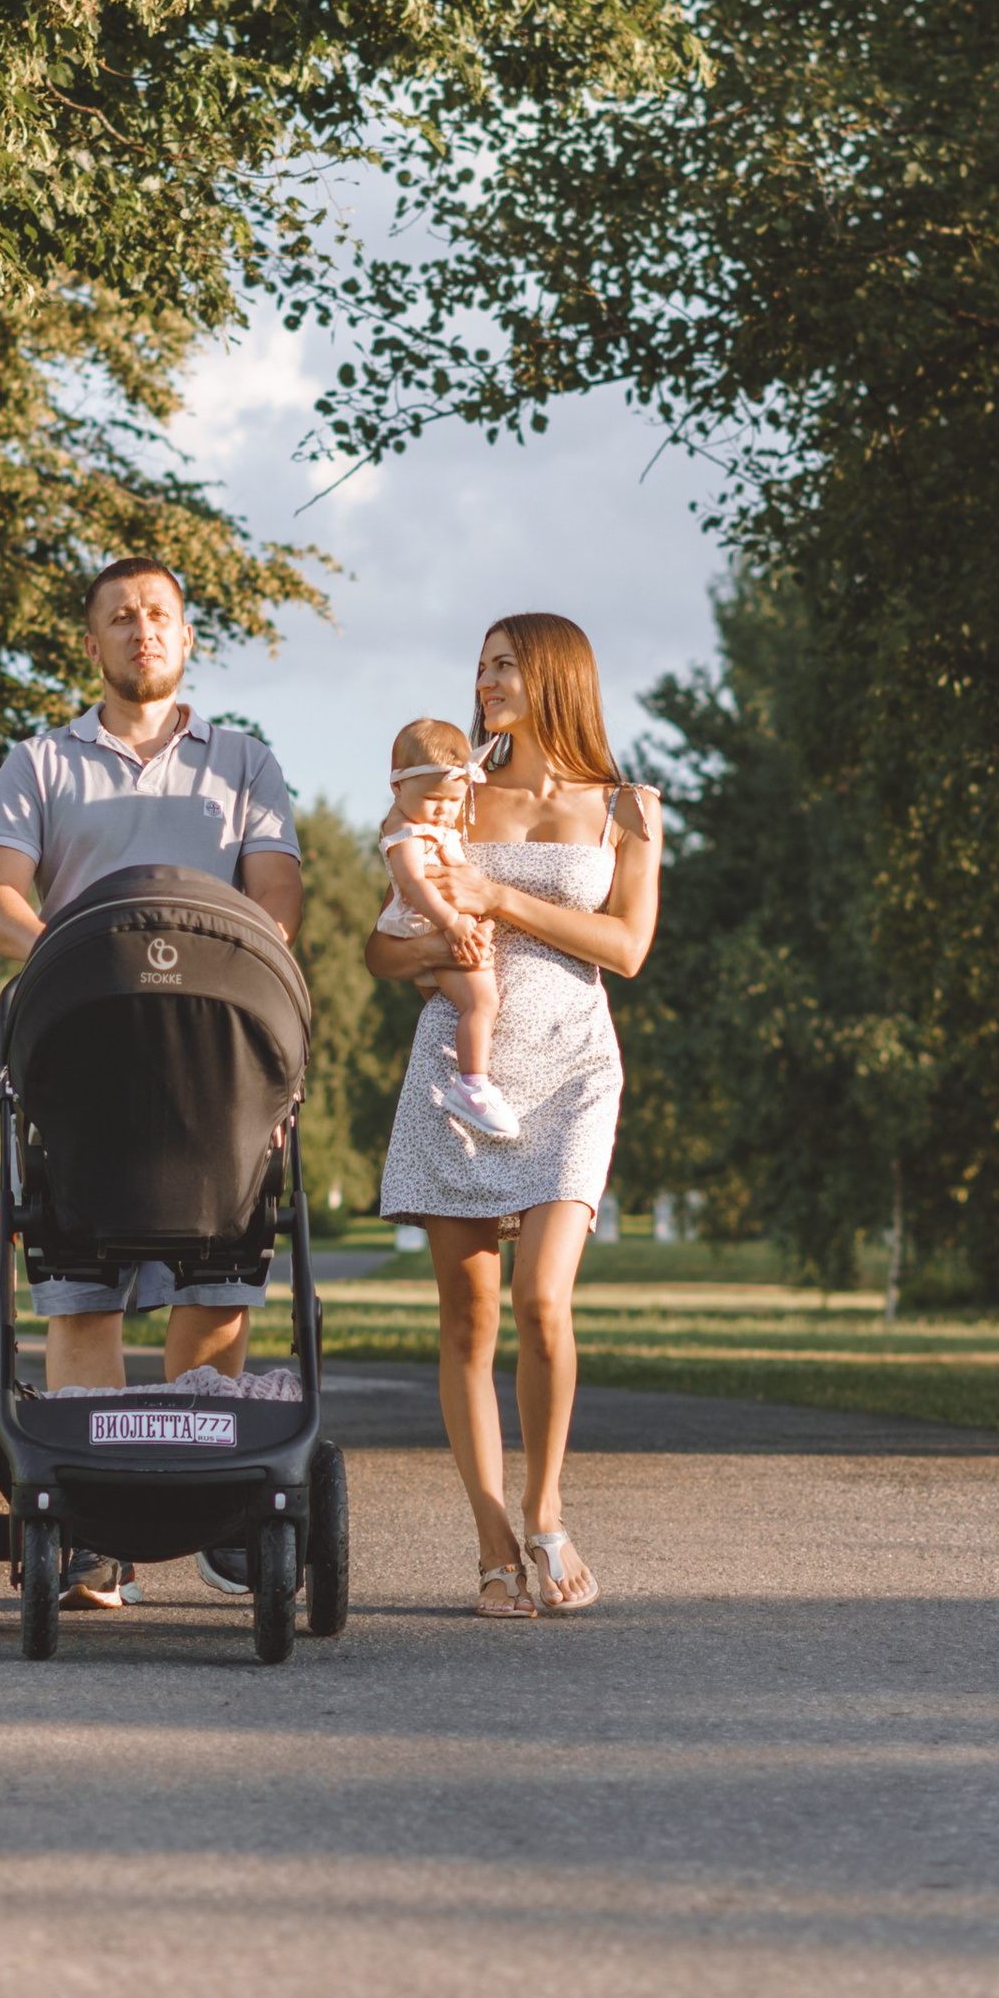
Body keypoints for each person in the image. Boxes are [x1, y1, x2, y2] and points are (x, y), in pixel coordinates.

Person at [0, 557, 303, 1605]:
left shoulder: (242, 762)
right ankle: (94, 1528)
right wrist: (70, 960)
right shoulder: (39, 762)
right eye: (119, 617)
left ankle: (205, 1509)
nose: (140, 630)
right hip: (83, 1052)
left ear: (186, 634)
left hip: (215, 1053)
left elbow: (275, 901)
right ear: (91, 642)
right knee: (83, 1295)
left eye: (158, 614)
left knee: (214, 1287)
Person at [367, 614, 662, 1619]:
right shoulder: (452, 794)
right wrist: (433, 951)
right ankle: (493, 1546)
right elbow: (383, 948)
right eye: (481, 664)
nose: (485, 680)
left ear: (556, 676)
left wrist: (497, 893)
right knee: (468, 1318)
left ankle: (545, 1515)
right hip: (463, 1067)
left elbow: (625, 949)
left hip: (574, 1067)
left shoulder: (624, 806)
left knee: (542, 1298)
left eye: (505, 664)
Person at [375, 718, 519, 1143]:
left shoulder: (431, 824)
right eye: (434, 799)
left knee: (458, 1006)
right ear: (397, 788)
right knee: (482, 1002)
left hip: (443, 920)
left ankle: (467, 1080)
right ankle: (471, 1086)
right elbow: (414, 884)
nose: (444, 810)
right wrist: (454, 922)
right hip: (426, 923)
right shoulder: (404, 832)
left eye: (453, 801)